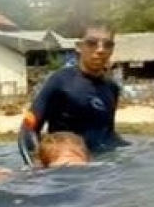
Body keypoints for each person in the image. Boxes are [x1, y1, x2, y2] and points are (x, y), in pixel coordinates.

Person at [18, 22, 129, 163]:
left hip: (102, 168)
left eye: (108, 45)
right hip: (68, 168)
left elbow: (107, 134)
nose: (101, 50)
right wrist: (35, 167)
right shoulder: (60, 80)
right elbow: (27, 129)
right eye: (92, 43)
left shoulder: (111, 88)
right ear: (79, 46)